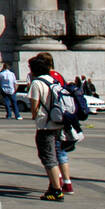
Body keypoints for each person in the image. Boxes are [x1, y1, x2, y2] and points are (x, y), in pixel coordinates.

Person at [28, 51, 67, 201]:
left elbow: (34, 106)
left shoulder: (36, 83)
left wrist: (35, 115)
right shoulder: (53, 80)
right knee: (55, 155)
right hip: (58, 123)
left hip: (45, 125)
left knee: (48, 157)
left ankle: (57, 190)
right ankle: (53, 185)